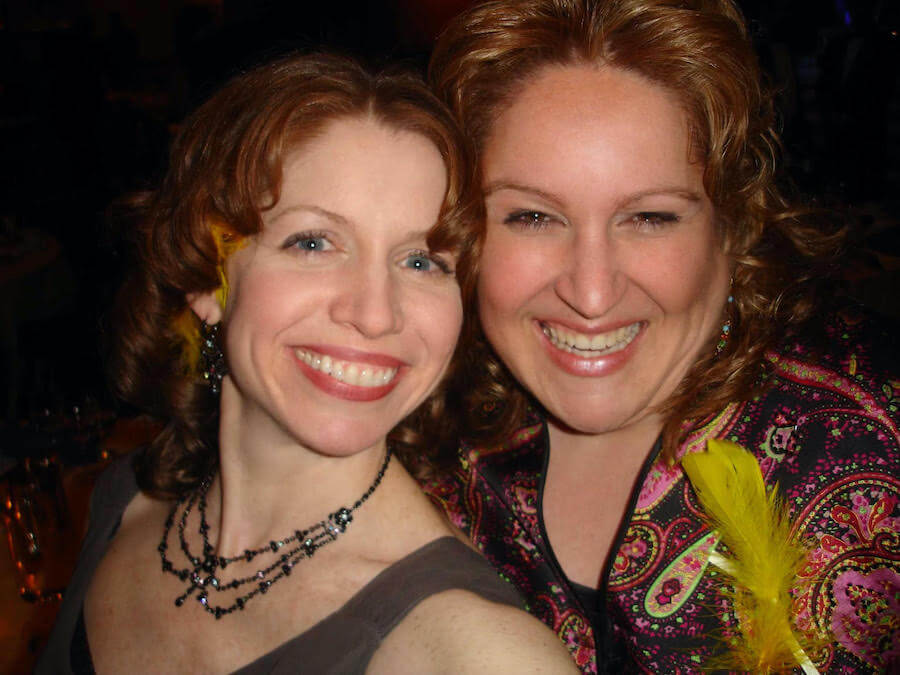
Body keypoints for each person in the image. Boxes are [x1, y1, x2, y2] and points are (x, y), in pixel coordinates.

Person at [36, 53, 576, 674]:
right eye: (314, 242)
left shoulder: (478, 654)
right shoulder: (121, 501)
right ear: (206, 279)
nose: (375, 314)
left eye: (422, 261)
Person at [420, 1, 900, 673]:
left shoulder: (873, 440)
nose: (590, 294)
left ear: (731, 228)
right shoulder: (423, 420)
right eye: (531, 216)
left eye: (649, 217)